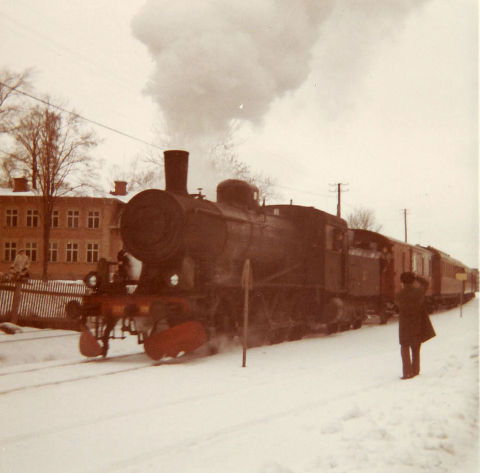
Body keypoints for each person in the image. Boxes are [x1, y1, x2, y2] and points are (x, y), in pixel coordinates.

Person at [395, 271, 428, 379]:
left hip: (404, 325)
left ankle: (407, 372)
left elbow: (397, 306)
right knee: (416, 346)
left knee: (404, 347)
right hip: (416, 323)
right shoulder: (419, 292)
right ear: (413, 281)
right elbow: (426, 283)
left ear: (402, 282)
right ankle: (416, 370)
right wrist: (417, 277)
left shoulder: (399, 294)